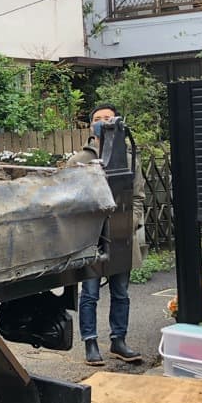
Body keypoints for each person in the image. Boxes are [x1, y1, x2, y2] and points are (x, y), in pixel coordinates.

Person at [70, 103, 147, 366]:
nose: (104, 122)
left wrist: (130, 223)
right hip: (91, 240)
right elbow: (69, 200)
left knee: (121, 292)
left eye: (109, 118)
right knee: (90, 293)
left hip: (121, 237)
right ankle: (90, 342)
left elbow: (138, 197)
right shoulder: (80, 160)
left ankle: (119, 340)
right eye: (98, 119)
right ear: (92, 126)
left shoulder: (129, 158)